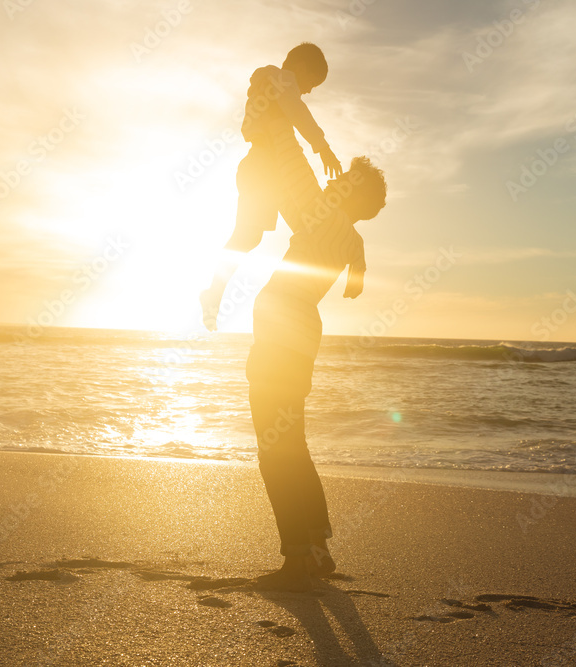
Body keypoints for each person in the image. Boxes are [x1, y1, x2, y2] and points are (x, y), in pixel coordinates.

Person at [248, 154, 387, 592]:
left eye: (344, 180)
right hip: (303, 334)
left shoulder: (320, 213)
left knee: (274, 450)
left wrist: (313, 143)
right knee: (292, 444)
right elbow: (354, 284)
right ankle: (315, 547)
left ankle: (295, 559)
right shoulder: (351, 239)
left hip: (280, 338)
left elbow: (292, 171)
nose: (335, 181)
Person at [201, 42, 344, 330]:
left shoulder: (273, 88)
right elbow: (297, 108)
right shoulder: (277, 78)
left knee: (297, 234)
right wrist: (322, 146)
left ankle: (282, 301)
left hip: (273, 174)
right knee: (253, 237)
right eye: (312, 82)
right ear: (300, 68)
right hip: (263, 171)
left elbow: (289, 112)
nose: (310, 90)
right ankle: (221, 294)